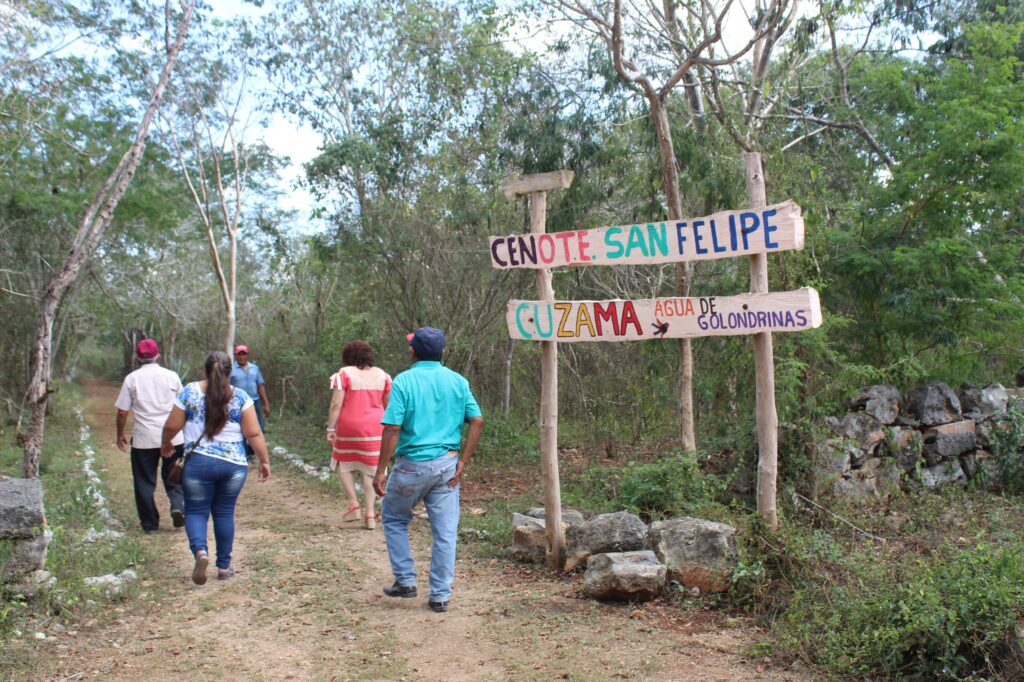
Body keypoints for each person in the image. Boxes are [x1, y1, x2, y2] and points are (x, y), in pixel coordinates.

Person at [373, 327, 484, 613]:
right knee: (445, 531)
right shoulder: (458, 381)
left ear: (412, 351)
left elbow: (393, 428)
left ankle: (406, 580)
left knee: (395, 518)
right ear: (442, 352)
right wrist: (463, 460)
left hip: (411, 466)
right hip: (447, 465)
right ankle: (440, 596)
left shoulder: (404, 381)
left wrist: (381, 470)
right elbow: (477, 420)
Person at [161, 351, 271, 585]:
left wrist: (166, 443)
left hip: (198, 464)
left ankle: (201, 552)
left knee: (196, 511)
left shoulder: (189, 391)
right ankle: (224, 567)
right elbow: (253, 433)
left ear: (205, 370)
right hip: (233, 467)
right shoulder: (240, 397)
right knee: (223, 512)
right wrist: (264, 460)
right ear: (230, 372)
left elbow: (171, 425)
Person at [115, 339, 185, 534]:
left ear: (137, 358)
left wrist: (120, 434)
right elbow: (183, 406)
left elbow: (122, 412)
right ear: (158, 356)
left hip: (144, 439)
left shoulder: (132, 379)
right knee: (175, 474)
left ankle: (150, 524)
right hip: (173, 437)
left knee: (144, 481)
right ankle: (178, 505)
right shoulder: (172, 377)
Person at [327, 341, 391, 530]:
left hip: (349, 427)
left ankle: (354, 503)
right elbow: (388, 405)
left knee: (341, 462)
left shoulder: (344, 374)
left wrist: (331, 428)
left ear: (347, 357)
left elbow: (336, 404)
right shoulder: (383, 376)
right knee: (371, 469)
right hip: (376, 428)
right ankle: (370, 514)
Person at [229, 344, 270, 458]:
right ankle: (243, 454)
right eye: (239, 354)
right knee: (240, 430)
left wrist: (266, 403)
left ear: (248, 355)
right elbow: (227, 387)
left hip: (254, 402)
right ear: (236, 356)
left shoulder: (254, 368)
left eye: (244, 354)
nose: (242, 357)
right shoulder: (231, 370)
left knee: (260, 428)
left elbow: (260, 386)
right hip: (238, 404)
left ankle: (251, 451)